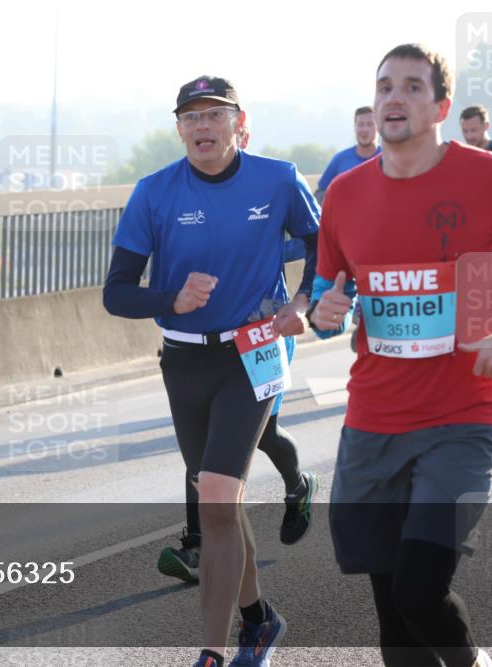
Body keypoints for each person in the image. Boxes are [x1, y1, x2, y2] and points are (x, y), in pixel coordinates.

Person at [308, 43, 492, 667]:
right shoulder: (345, 194)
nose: (393, 97)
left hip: (464, 416)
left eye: (410, 86)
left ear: (440, 106)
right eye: (383, 87)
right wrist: (325, 315)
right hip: (374, 422)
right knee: (393, 617)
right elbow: (330, 294)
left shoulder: (491, 177)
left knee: (420, 590)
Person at [104, 75, 320, 667]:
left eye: (214, 115)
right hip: (184, 359)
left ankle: (212, 652)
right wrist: (169, 298)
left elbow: (324, 244)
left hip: (253, 351)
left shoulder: (278, 179)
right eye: (190, 118)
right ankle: (260, 620)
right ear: (178, 129)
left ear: (238, 122)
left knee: (219, 497)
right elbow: (116, 293)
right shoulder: (153, 192)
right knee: (220, 499)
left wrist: (300, 304)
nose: (202, 127)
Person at [157, 114, 319, 587]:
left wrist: (300, 300)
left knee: (261, 433)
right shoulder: (185, 199)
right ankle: (198, 543)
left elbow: (316, 240)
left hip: (262, 333)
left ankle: (298, 486)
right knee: (210, 444)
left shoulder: (272, 187)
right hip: (203, 344)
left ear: (242, 137)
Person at [314, 106, 381, 204]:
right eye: (360, 124)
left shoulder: (389, 159)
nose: (364, 129)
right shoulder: (340, 160)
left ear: (378, 128)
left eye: (370, 124)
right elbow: (320, 195)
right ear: (355, 127)